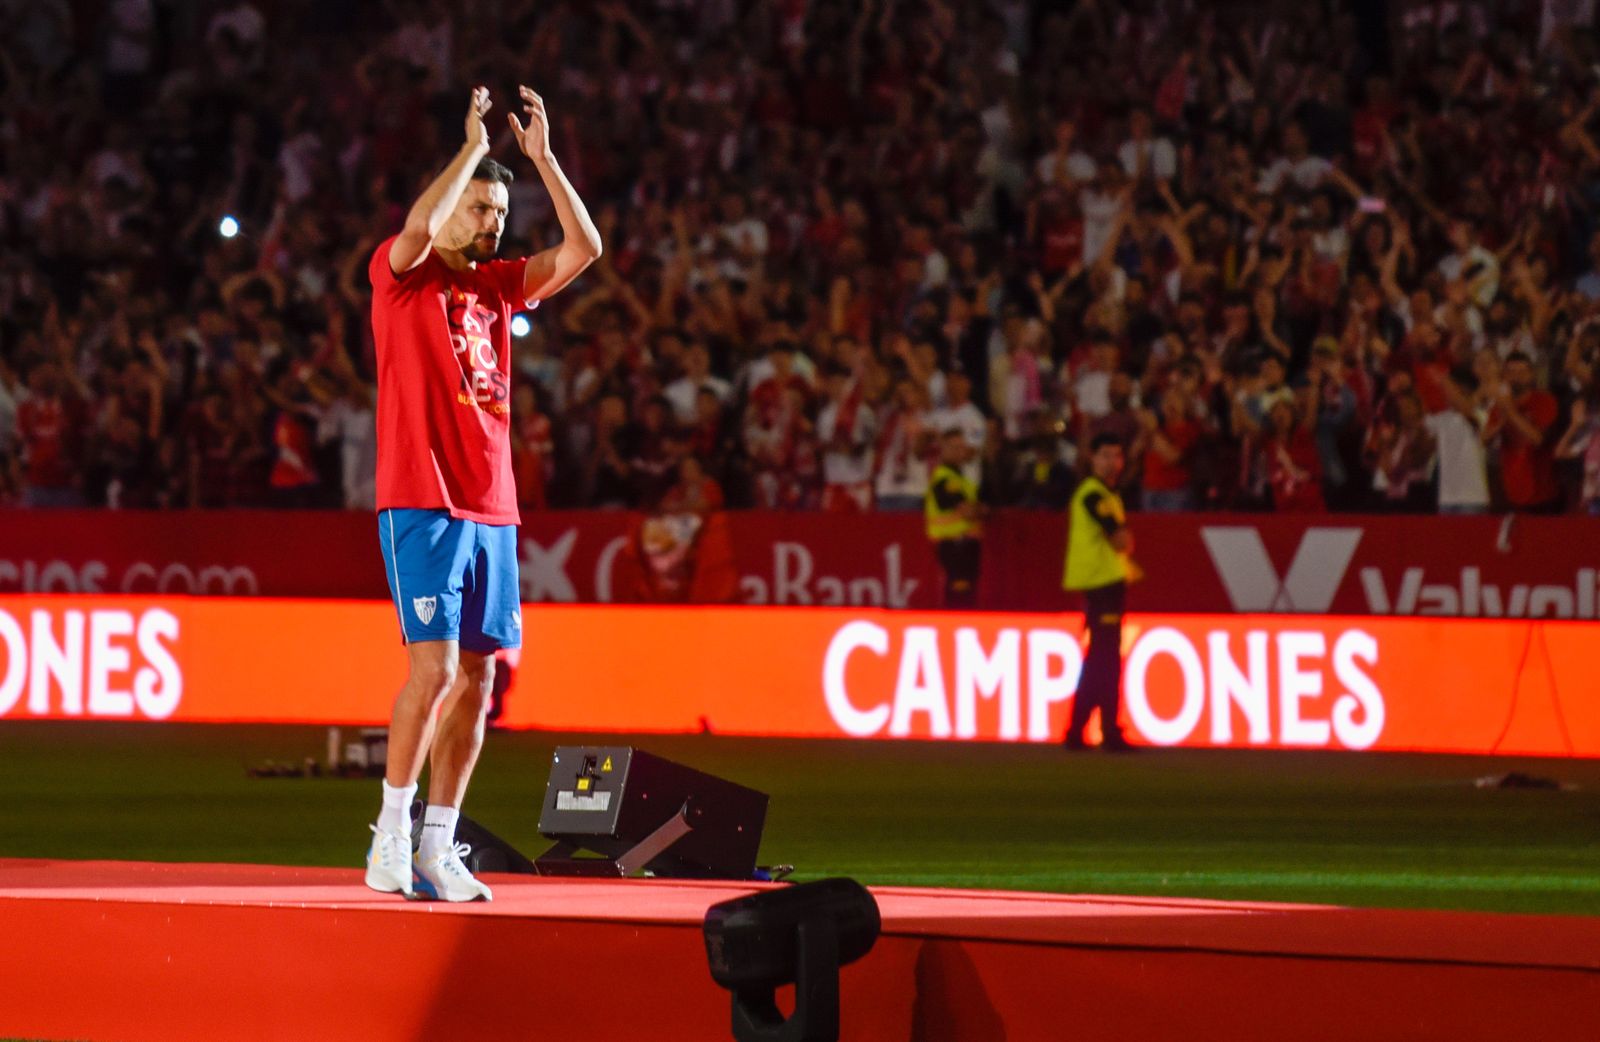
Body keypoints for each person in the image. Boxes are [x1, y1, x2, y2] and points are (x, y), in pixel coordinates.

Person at [364, 86, 601, 901]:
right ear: (451, 200)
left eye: (500, 211)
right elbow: (421, 230)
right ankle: (388, 839)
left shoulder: (501, 286)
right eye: (480, 207)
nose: (490, 222)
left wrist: (542, 160)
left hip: (492, 504)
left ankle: (437, 842)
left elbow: (586, 249)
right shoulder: (400, 275)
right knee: (428, 673)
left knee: (482, 679)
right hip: (422, 498)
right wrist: (469, 148)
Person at [1062, 433, 1139, 751]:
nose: (1113, 462)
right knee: (1105, 660)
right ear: (1092, 459)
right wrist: (1123, 540)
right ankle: (1106, 729)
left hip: (1103, 581)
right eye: (1106, 455)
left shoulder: (1104, 494)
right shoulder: (1094, 495)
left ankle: (1079, 730)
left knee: (1100, 659)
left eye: (1117, 456)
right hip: (1100, 582)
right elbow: (1120, 540)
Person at [924, 429, 984, 608]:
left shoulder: (962, 479)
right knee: (959, 595)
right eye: (953, 447)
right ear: (943, 449)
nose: (959, 451)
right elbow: (968, 512)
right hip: (954, 546)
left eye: (961, 447)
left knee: (968, 593)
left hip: (966, 545)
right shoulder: (944, 479)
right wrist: (983, 510)